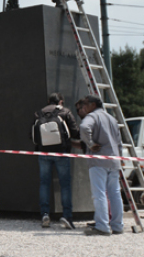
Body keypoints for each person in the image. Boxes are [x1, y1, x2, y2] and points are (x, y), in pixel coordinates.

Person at [31, 92, 80, 229]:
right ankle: (67, 216)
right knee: (65, 184)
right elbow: (75, 132)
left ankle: (45, 214)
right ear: (61, 102)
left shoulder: (38, 113)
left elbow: (32, 135)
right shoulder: (65, 112)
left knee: (44, 184)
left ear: (48, 101)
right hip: (61, 152)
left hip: (43, 152)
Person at [79, 95, 124, 236]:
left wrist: (90, 143)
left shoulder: (92, 116)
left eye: (85, 104)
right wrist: (121, 158)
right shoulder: (112, 119)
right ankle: (117, 225)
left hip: (98, 160)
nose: (83, 107)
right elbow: (119, 142)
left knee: (99, 194)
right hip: (114, 159)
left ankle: (102, 225)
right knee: (115, 194)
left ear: (93, 105)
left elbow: (84, 127)